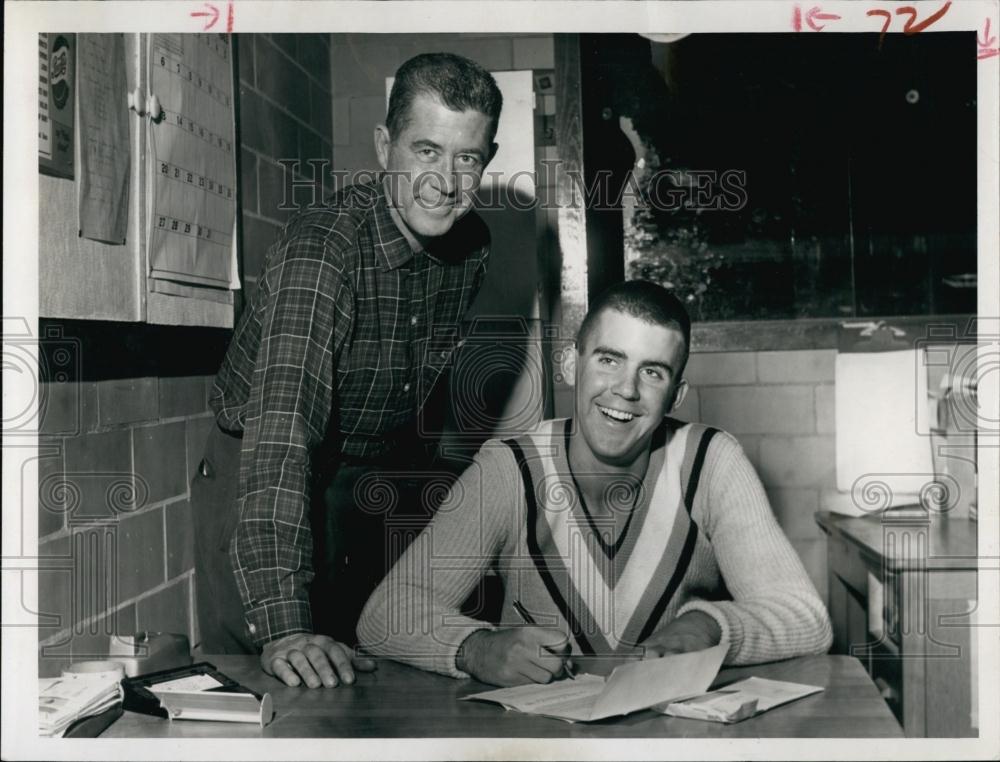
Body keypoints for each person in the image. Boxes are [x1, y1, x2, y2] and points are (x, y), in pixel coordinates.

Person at [191, 52, 503, 689]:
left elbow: (422, 391)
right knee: (277, 682)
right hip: (263, 470)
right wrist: (281, 626)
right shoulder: (322, 253)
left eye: (466, 158)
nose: (443, 181)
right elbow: (280, 441)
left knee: (364, 675)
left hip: (361, 474)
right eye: (425, 150)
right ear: (385, 146)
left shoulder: (470, 247)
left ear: (486, 161)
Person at [357, 280, 832, 686]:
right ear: (570, 365)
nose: (626, 390)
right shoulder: (509, 468)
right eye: (609, 360)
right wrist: (475, 648)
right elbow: (384, 614)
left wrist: (708, 625)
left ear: (676, 395)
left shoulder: (711, 461)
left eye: (652, 372)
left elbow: (806, 618)